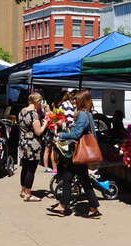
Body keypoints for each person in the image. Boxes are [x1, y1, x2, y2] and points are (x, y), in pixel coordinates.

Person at [50, 89, 101, 218]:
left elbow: (76, 134)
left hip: (79, 152)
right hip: (78, 152)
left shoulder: (83, 115)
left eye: (75, 99)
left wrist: (61, 134)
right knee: (74, 179)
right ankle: (70, 205)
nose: (73, 102)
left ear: (81, 101)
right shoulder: (87, 113)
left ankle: (66, 205)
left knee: (75, 179)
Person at [17, 93, 46, 202]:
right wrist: (45, 124)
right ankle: (28, 194)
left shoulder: (22, 111)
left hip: (23, 142)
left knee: (25, 167)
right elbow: (38, 132)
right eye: (40, 102)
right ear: (37, 102)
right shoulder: (33, 114)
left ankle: (23, 190)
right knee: (31, 169)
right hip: (32, 144)